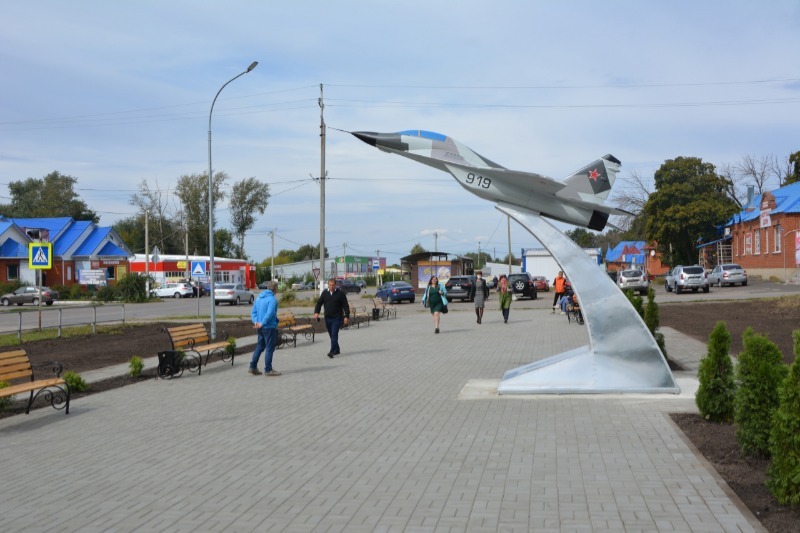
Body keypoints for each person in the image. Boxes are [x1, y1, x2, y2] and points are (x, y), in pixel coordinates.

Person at [249, 280, 281, 376]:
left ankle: (253, 366)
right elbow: (270, 313)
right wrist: (262, 323)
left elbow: (253, 312)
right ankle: (268, 369)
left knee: (260, 346)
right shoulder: (272, 299)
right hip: (269, 327)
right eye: (277, 288)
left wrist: (257, 322)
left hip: (260, 327)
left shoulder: (259, 298)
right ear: (275, 289)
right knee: (270, 348)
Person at [314, 278, 350, 358]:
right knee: (331, 335)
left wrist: (346, 316)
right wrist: (316, 312)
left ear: (335, 285)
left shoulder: (340, 294)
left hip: (337, 318)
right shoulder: (325, 293)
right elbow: (319, 303)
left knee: (334, 334)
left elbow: (346, 306)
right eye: (330, 285)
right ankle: (336, 349)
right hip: (327, 318)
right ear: (328, 285)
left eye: (333, 285)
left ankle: (332, 351)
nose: (331, 286)